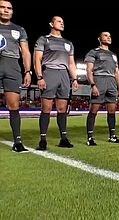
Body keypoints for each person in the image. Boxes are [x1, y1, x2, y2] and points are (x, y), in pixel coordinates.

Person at [34, 16, 78, 150]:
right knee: (46, 108)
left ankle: (63, 139)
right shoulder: (44, 39)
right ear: (51, 24)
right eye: (59, 21)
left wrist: (74, 79)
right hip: (49, 72)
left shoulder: (68, 43)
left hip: (63, 75)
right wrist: (40, 77)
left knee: (62, 109)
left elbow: (71, 63)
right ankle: (43, 140)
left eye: (63, 21)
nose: (62, 23)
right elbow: (37, 59)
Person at [0, 0, 31, 152]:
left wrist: (27, 71)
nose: (6, 10)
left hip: (12, 65)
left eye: (9, 8)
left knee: (14, 105)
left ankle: (17, 142)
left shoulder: (19, 29)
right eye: (2, 7)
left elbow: (25, 52)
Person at [84, 32, 119, 146]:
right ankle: (90, 137)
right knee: (93, 111)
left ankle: (112, 136)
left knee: (112, 111)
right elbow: (89, 70)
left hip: (111, 81)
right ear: (99, 38)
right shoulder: (94, 52)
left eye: (110, 36)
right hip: (99, 80)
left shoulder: (113, 55)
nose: (108, 37)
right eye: (105, 35)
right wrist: (92, 85)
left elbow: (116, 71)